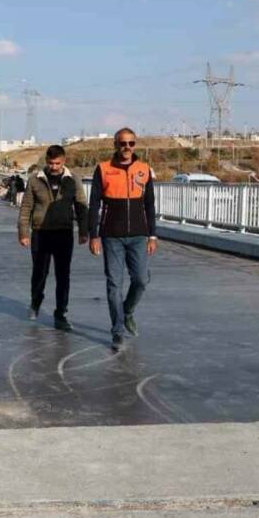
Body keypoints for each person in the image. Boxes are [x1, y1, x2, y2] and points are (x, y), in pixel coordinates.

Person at [88, 127, 158, 351]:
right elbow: (94, 205)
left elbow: (149, 204)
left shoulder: (144, 169)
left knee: (141, 280)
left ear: (135, 145)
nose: (126, 147)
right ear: (115, 145)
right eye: (122, 143)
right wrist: (94, 235)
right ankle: (117, 331)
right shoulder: (103, 169)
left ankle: (127, 311)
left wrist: (152, 235)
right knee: (114, 285)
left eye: (131, 143)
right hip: (112, 236)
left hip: (139, 235)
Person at [17, 145, 89, 331]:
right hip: (41, 233)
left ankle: (61, 313)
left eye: (57, 163)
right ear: (46, 161)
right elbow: (26, 208)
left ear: (64, 161)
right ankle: (36, 301)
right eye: (50, 163)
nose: (54, 167)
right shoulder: (35, 180)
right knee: (39, 273)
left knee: (63, 276)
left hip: (64, 233)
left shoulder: (73, 180)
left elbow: (81, 206)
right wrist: (23, 232)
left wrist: (83, 230)